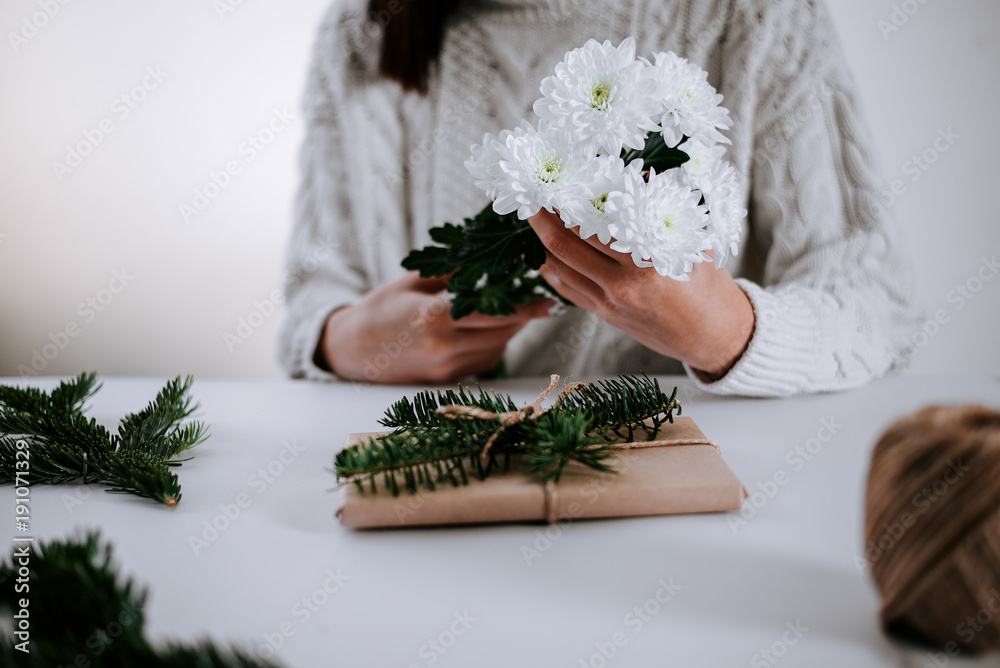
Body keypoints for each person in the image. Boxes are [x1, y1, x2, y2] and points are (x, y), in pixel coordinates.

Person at [278, 0, 920, 397]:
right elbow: (314, 291)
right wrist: (345, 341)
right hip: (438, 476)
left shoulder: (755, 15)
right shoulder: (361, 33)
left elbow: (878, 311)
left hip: (680, 489)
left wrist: (725, 332)